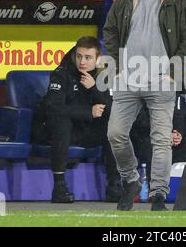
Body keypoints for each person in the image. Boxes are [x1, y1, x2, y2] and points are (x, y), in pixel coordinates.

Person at [103, 0, 186, 211]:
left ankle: (158, 195)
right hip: (128, 78)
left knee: (161, 139)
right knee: (115, 133)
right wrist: (116, 66)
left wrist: (173, 72)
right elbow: (110, 30)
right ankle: (131, 180)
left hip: (161, 78)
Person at [32, 36, 121, 203]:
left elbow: (113, 110)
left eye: (88, 58)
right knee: (62, 122)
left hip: (84, 130)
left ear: (98, 58)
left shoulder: (104, 76)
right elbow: (54, 107)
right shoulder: (62, 72)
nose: (82, 61)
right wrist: (88, 112)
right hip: (53, 131)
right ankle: (59, 187)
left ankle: (114, 186)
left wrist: (94, 88)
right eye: (79, 56)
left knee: (113, 126)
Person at [131, 94, 186, 181]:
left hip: (167, 136)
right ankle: (153, 185)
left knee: (185, 141)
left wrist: (178, 133)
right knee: (149, 144)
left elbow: (179, 117)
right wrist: (164, 134)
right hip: (145, 136)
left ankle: (177, 183)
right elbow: (141, 122)